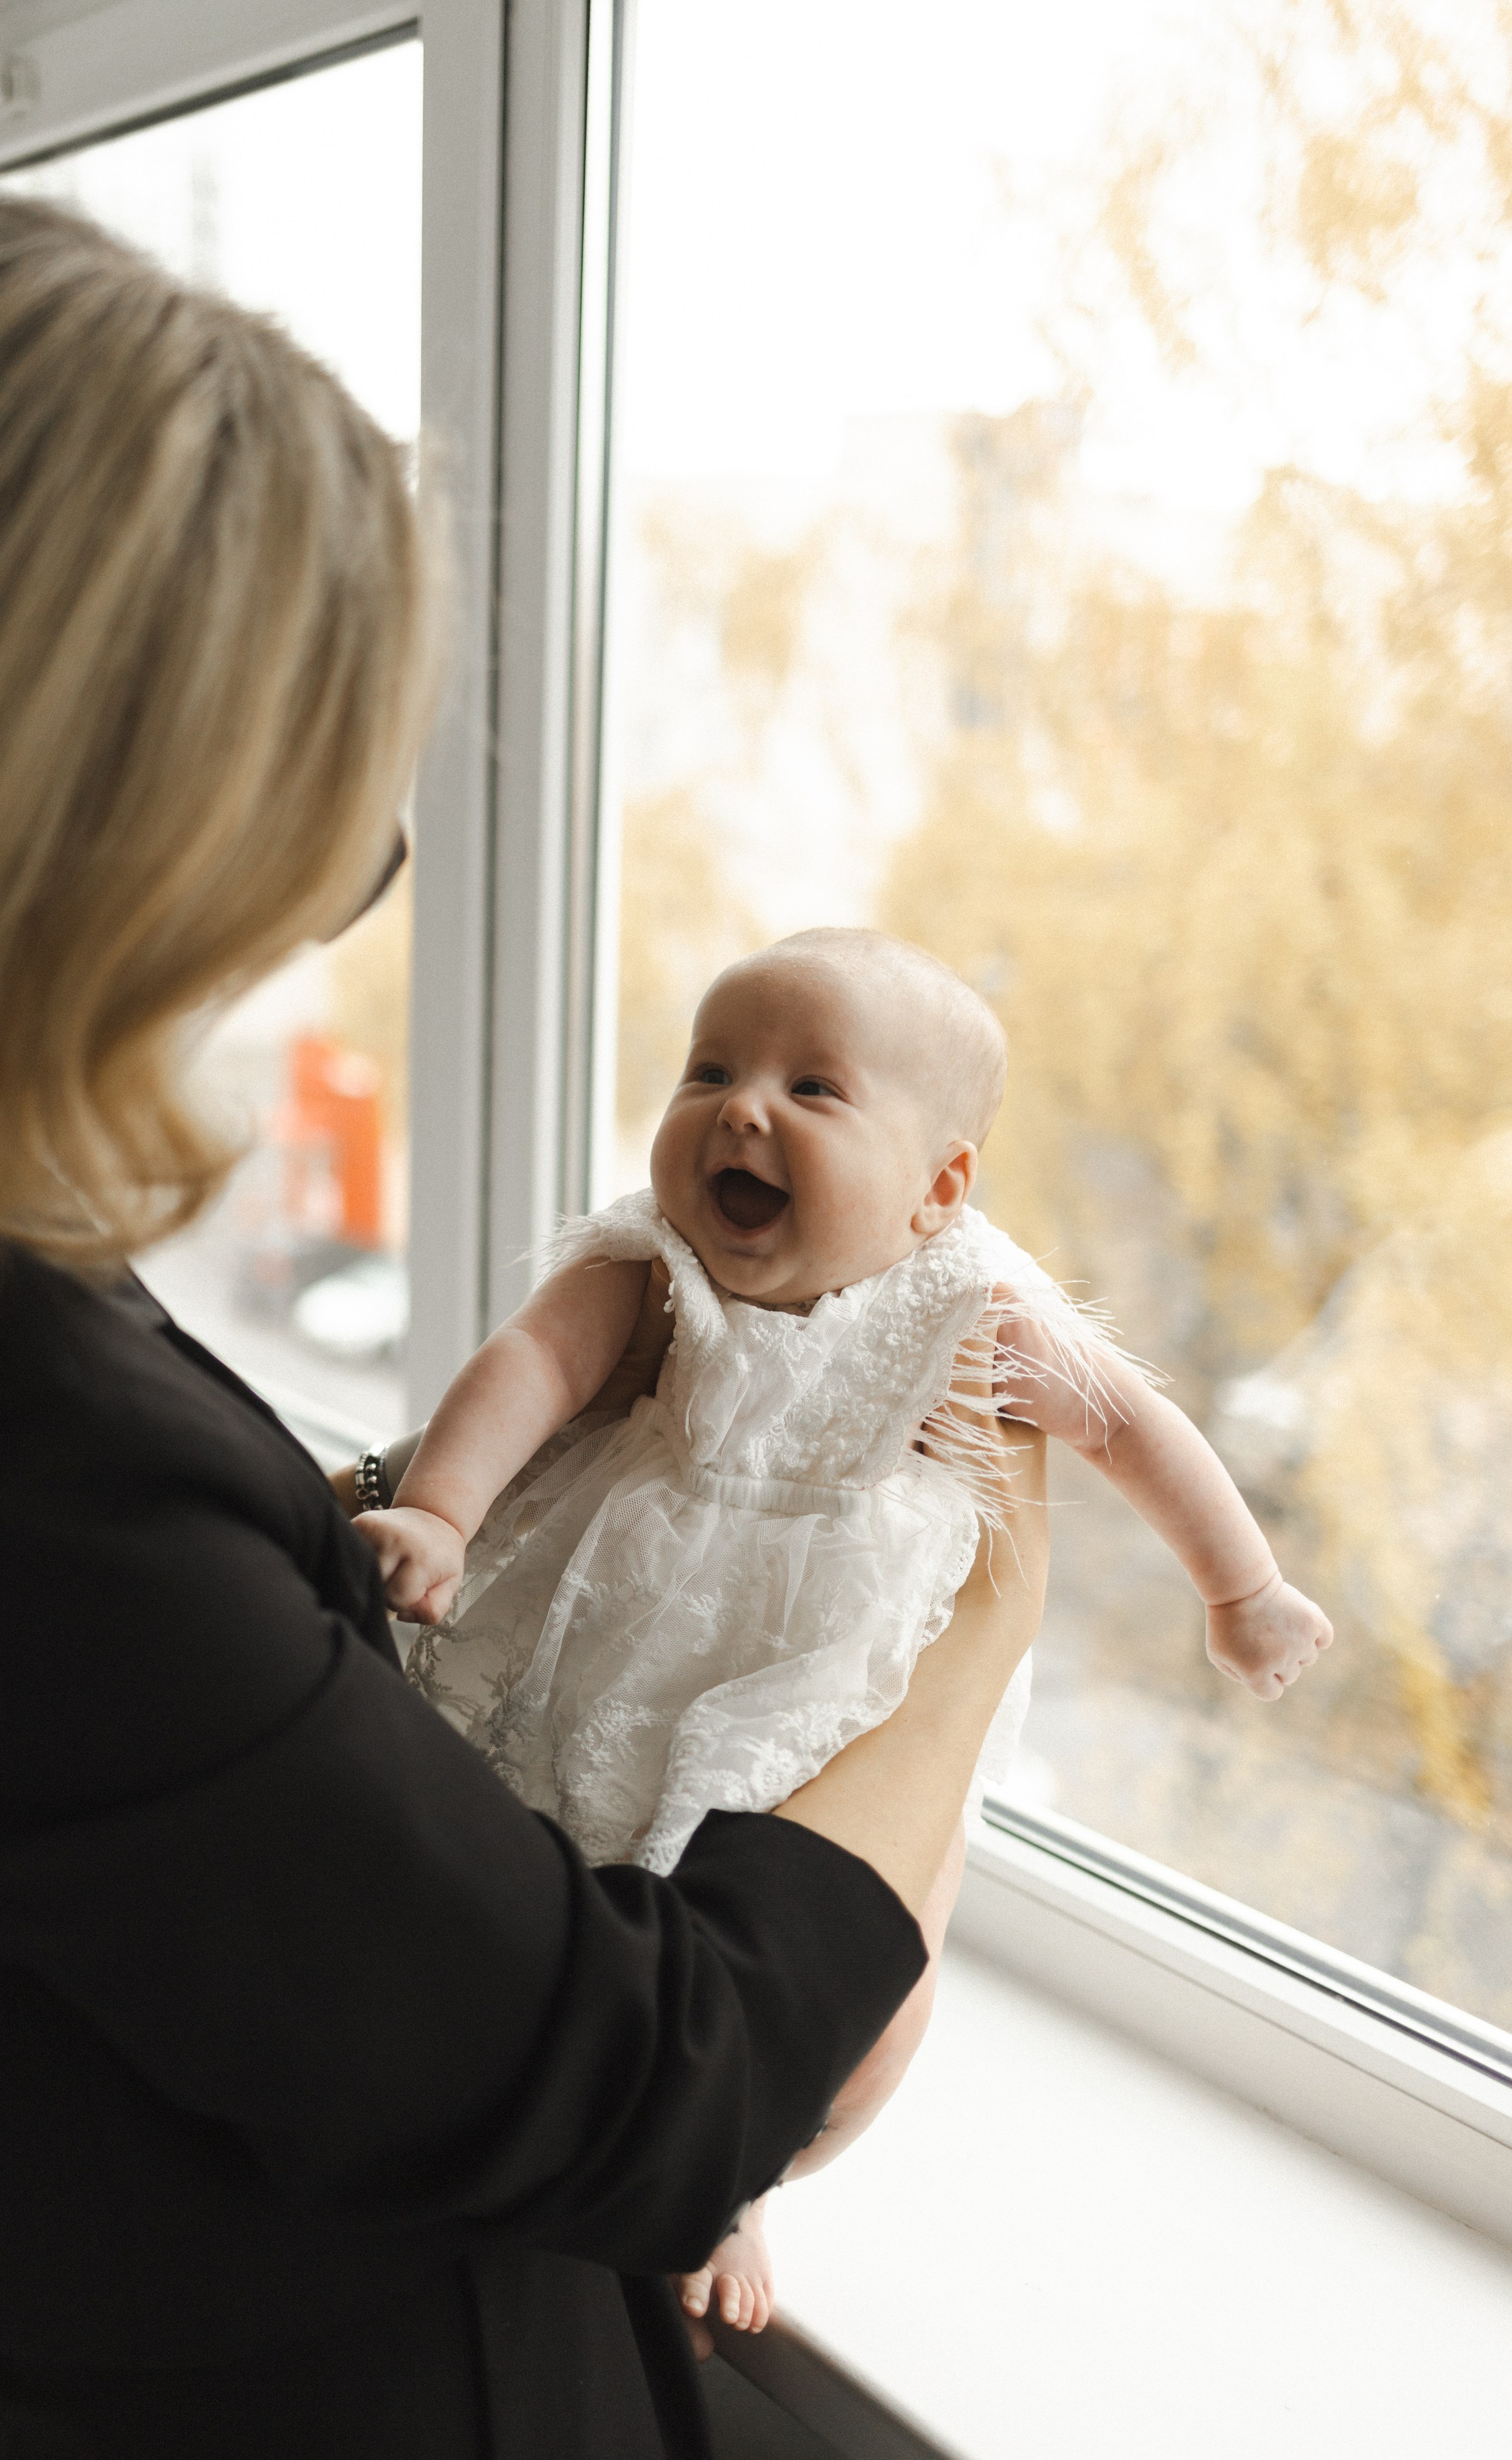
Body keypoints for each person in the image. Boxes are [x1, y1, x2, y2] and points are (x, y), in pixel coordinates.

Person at [0, 185, 1048, 2460]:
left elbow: (115, 1743)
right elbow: (654, 2090)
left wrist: (428, 1505)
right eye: (312, 829)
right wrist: (980, 1611)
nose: (313, 908)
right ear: (55, 832)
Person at [363, 927, 1336, 2335]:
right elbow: (532, 1363)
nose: (738, 1109)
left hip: (834, 1664)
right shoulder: (647, 1264)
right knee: (564, 1824)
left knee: (831, 1933)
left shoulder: (969, 1300)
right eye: (709, 1069)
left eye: (812, 1090)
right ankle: (596, 2097)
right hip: (621, 1616)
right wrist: (442, 1513)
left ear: (939, 1188)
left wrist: (1239, 1589)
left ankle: (744, 2176)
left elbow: (1127, 1424)